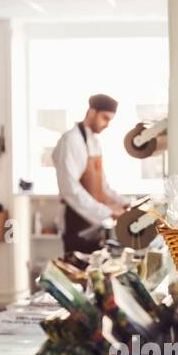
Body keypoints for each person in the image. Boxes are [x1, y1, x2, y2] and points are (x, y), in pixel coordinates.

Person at [52, 93, 130, 260]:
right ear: (92, 112)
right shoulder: (70, 141)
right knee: (77, 276)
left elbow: (103, 185)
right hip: (76, 223)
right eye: (105, 118)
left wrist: (125, 202)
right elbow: (70, 190)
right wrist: (107, 211)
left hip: (94, 223)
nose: (107, 124)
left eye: (110, 120)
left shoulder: (94, 142)